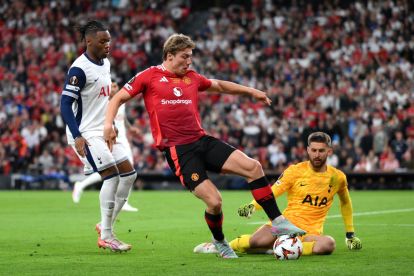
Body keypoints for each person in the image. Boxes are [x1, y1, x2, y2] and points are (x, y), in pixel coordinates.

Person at [103, 33, 305, 259]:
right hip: (179, 151)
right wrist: (108, 125)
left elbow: (219, 85)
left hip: (202, 141)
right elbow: (117, 98)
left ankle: (277, 222)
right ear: (169, 56)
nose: (189, 62)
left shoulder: (192, 77)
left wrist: (251, 91)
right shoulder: (149, 76)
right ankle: (219, 241)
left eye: (190, 57)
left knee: (254, 167)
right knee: (215, 202)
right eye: (184, 57)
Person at [194, 132, 362, 256]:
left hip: (310, 233)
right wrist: (253, 205)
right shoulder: (295, 171)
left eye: (321, 151)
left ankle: (279, 248)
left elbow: (345, 203)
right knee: (254, 242)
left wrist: (350, 234)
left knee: (328, 244)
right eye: (314, 150)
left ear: (329, 151)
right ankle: (219, 246)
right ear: (308, 150)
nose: (317, 155)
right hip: (284, 225)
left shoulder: (338, 177)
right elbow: (272, 192)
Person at [60, 20, 136, 252]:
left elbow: (104, 102)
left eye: (109, 40)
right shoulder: (79, 69)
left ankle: (105, 226)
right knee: (111, 177)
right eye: (103, 41)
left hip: (103, 130)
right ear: (88, 41)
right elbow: (65, 104)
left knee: (130, 174)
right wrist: (77, 135)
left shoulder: (106, 63)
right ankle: (107, 235)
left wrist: (111, 124)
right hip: (85, 132)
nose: (107, 45)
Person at [72, 81, 139, 212]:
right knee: (113, 170)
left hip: (122, 139)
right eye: (112, 86)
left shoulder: (121, 101)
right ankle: (82, 185)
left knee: (127, 170)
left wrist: (131, 128)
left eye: (116, 86)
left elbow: (122, 118)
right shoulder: (104, 103)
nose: (115, 88)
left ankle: (122, 201)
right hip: (110, 139)